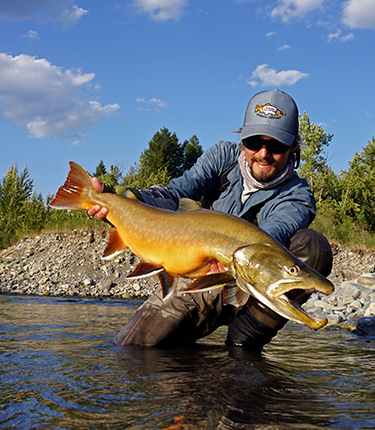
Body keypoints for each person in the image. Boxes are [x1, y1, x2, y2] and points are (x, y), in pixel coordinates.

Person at [89, 90, 333, 349]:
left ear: (293, 147)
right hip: (198, 276)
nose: (263, 153)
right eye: (253, 143)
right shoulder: (222, 158)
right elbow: (175, 194)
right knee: (134, 349)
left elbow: (271, 237)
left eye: (276, 145)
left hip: (254, 286)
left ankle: (243, 344)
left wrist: (232, 258)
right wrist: (128, 202)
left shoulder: (298, 195)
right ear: (242, 140)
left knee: (313, 247)